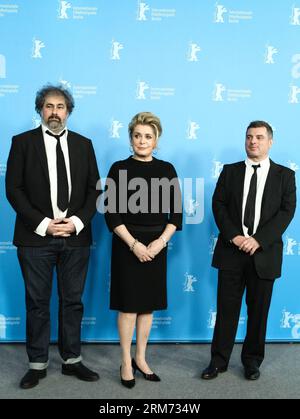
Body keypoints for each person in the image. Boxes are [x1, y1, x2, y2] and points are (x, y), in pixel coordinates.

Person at [5, 84, 100, 389]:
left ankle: (72, 360)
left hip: (75, 237)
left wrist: (75, 222)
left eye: (60, 106)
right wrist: (45, 224)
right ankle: (37, 363)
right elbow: (14, 190)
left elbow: (94, 191)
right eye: (48, 106)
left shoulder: (84, 145)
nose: (54, 112)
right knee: (37, 302)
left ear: (68, 111)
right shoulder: (22, 143)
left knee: (72, 301)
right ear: (40, 110)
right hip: (36, 238)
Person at [202, 120, 296, 381]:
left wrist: (258, 240)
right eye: (249, 137)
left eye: (259, 137)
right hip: (231, 252)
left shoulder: (285, 176)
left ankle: (252, 362)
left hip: (264, 255)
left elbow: (286, 212)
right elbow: (218, 205)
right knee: (226, 311)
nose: (253, 141)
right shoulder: (230, 171)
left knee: (258, 313)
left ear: (270, 142)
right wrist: (234, 236)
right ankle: (218, 362)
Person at [104, 112, 182, 388]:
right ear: (130, 139)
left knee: (147, 307)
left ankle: (141, 358)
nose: (142, 140)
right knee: (128, 307)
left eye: (148, 136)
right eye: (137, 135)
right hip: (127, 245)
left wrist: (159, 243)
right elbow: (111, 216)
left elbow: (176, 215)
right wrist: (134, 245)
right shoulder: (118, 169)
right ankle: (126, 361)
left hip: (156, 247)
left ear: (156, 140)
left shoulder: (167, 169)